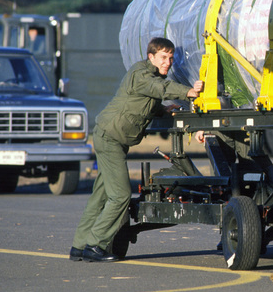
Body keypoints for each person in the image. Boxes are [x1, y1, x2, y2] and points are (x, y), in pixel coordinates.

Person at [70, 37, 204, 262]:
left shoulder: (150, 76)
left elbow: (146, 101)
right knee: (121, 196)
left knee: (101, 195)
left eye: (171, 58)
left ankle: (79, 245)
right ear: (151, 57)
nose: (168, 62)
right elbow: (157, 88)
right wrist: (189, 91)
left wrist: (164, 110)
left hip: (113, 138)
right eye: (163, 57)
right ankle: (95, 245)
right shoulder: (142, 73)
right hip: (111, 138)